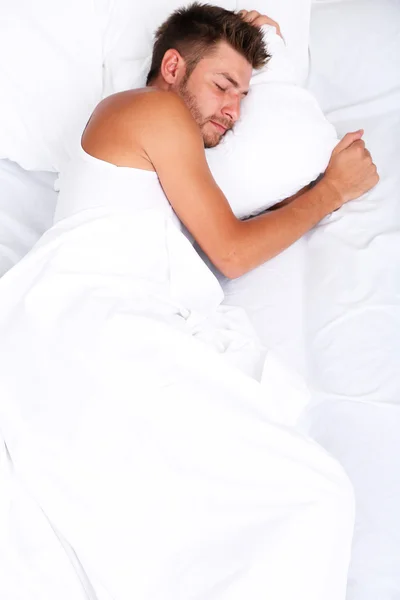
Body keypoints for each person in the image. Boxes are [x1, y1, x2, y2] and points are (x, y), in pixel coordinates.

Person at [0, 4, 377, 600]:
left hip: (107, 321)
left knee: (262, 507)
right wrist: (331, 191)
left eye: (244, 96)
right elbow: (229, 250)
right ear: (171, 66)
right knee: (312, 494)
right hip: (94, 315)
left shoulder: (158, 136)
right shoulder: (152, 108)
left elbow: (224, 233)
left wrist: (239, 36)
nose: (234, 110)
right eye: (224, 86)